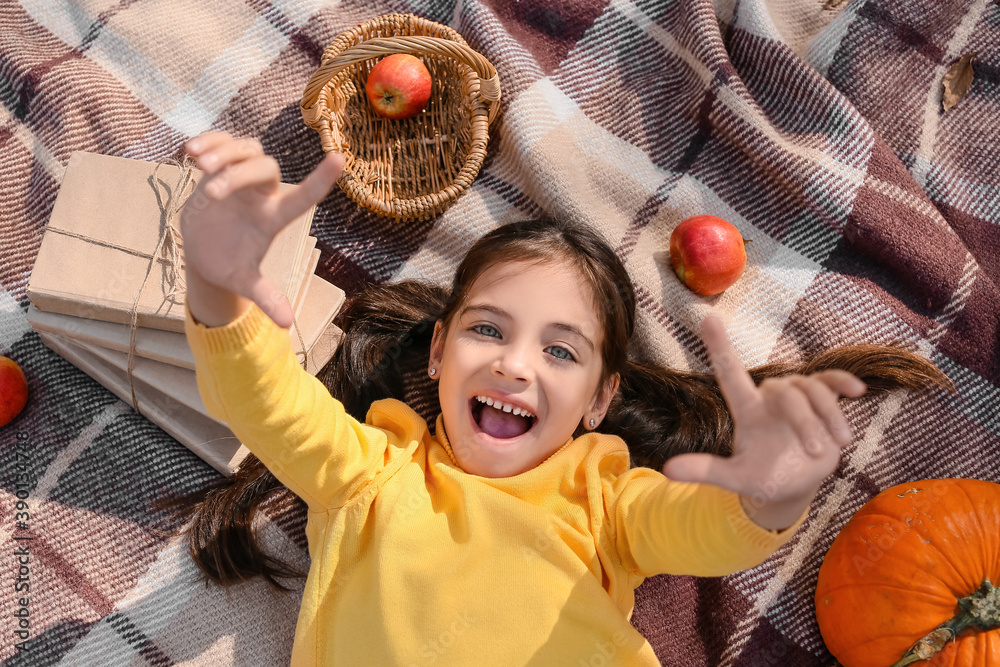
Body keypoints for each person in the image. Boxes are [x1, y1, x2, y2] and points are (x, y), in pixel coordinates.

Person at [175, 132, 950, 666]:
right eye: (488, 330)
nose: (516, 366)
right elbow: (269, 403)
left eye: (559, 350)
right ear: (440, 351)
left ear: (597, 399)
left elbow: (700, 528)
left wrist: (772, 494)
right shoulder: (374, 469)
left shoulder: (604, 499)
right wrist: (215, 284)